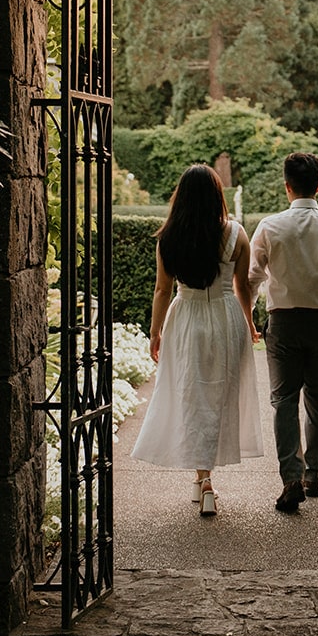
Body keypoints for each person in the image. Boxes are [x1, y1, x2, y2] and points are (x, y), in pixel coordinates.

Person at [130, 164, 262, 516]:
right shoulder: (236, 234)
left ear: (181, 198)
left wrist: (155, 332)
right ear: (217, 196)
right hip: (224, 317)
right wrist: (249, 324)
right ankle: (205, 478)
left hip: (186, 317)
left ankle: (202, 478)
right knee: (218, 394)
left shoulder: (168, 238)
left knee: (193, 393)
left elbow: (161, 289)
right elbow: (243, 287)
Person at [248, 152, 318, 514]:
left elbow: (251, 277)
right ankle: (313, 475)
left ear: (286, 187)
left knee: (283, 401)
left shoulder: (269, 226)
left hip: (282, 322)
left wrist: (248, 316)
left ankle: (290, 479)